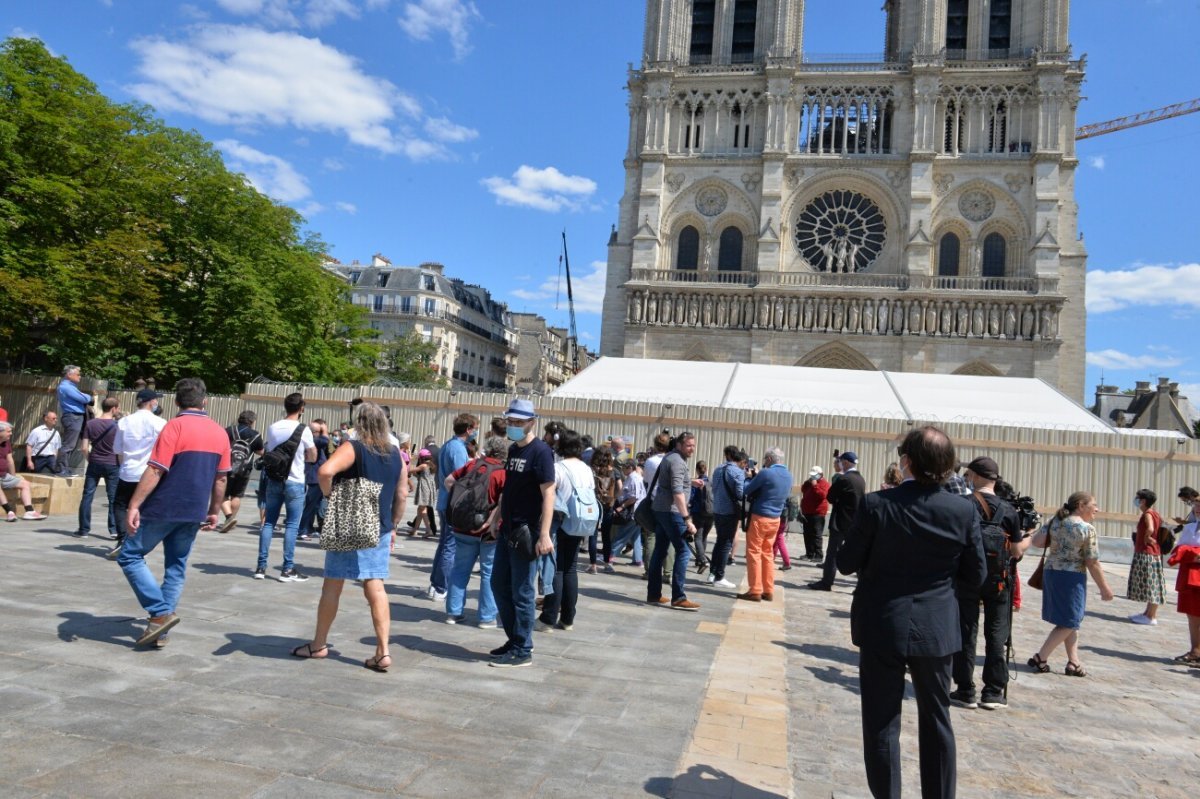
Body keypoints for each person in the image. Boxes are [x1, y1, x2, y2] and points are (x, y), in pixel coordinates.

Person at [837, 425, 986, 799]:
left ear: (906, 461)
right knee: (937, 719)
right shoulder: (963, 510)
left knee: (882, 723)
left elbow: (845, 562)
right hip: (936, 626)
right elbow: (976, 575)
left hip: (883, 622)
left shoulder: (876, 504)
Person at [291, 402, 407, 671]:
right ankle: (383, 651)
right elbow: (402, 493)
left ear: (359, 422)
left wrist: (333, 496)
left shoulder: (353, 447)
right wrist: (394, 524)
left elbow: (324, 471)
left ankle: (319, 644)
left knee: (333, 583)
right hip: (380, 524)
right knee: (375, 585)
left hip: (350, 520)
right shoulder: (395, 453)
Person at [118, 378, 231, 648]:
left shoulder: (174, 426)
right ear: (205, 401)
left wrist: (134, 504)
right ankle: (160, 629)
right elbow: (221, 479)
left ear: (177, 402)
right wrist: (214, 511)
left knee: (130, 555)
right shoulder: (219, 433)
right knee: (176, 568)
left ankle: (159, 613)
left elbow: (156, 469)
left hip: (164, 506)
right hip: (193, 511)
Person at [950, 456, 1029, 711]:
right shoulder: (1009, 511)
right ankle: (994, 691)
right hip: (999, 580)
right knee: (997, 633)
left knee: (965, 631)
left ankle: (964, 690)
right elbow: (1016, 551)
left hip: (967, 576)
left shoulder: (962, 504)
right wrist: (1030, 538)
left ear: (974, 476)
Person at [489, 398, 556, 668]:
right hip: (509, 528)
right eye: (511, 421)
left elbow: (548, 492)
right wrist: (497, 515)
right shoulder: (514, 450)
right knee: (498, 585)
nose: (513, 426)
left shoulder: (541, 452)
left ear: (532, 422)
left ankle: (523, 648)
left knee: (523, 591)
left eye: (519, 422)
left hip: (527, 531)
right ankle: (514, 638)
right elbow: (510, 488)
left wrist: (545, 533)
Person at [1026, 492, 1115, 677]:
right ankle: (1040, 657)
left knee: (1068, 620)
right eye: (1094, 505)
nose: (1097, 509)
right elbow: (1092, 562)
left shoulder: (1055, 521)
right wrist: (1104, 588)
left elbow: (1037, 542)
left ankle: (1074, 662)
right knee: (1070, 620)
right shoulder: (1087, 529)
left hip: (1052, 573)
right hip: (1071, 577)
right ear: (1081, 506)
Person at [444, 436, 507, 627]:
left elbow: (448, 481)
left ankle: (453, 613)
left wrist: (462, 505)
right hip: (488, 530)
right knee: (488, 573)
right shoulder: (503, 473)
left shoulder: (472, 465)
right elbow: (504, 501)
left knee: (460, 570)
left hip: (463, 526)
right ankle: (486, 618)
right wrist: (492, 520)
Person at [255, 392, 317, 582]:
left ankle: (261, 567)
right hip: (295, 480)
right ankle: (287, 569)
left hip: (274, 479)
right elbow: (312, 455)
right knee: (291, 524)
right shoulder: (303, 429)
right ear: (302, 409)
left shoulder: (273, 427)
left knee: (269, 522)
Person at [538, 429, 594, 630]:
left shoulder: (558, 468)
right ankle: (568, 618)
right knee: (570, 568)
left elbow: (549, 495)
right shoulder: (586, 469)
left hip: (560, 521)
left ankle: (548, 617)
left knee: (556, 569)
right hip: (580, 522)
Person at [646, 432, 701, 611]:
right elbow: (677, 491)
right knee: (683, 551)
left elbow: (672, 484)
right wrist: (687, 519)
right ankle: (678, 596)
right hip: (672, 512)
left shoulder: (670, 457)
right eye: (688, 446)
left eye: (693, 445)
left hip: (660, 510)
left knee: (660, 550)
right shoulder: (677, 461)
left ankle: (654, 593)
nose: (692, 449)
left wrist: (690, 482)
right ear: (678, 444)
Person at [109, 389, 166, 559]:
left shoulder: (124, 422)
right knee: (145, 507)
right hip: (150, 472)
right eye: (155, 400)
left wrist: (123, 465)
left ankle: (122, 538)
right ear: (151, 402)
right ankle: (139, 542)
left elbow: (117, 450)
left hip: (128, 470)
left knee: (120, 505)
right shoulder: (160, 423)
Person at [428, 413, 478, 601]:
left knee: (444, 545)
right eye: (474, 428)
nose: (475, 432)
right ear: (468, 429)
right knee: (450, 546)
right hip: (452, 502)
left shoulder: (450, 444)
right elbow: (462, 477)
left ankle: (436, 583)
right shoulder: (457, 448)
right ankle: (441, 587)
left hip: (445, 500)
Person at [737, 448, 793, 601]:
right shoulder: (789, 475)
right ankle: (768, 589)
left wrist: (749, 477)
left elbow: (746, 490)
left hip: (760, 517)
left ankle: (755, 589)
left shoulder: (766, 472)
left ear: (769, 459)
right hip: (776, 518)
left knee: (754, 552)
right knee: (767, 554)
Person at [809, 450, 866, 591]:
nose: (839, 464)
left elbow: (830, 497)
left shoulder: (843, 479)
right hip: (854, 521)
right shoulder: (860, 479)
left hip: (840, 522)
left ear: (846, 462)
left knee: (832, 554)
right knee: (855, 553)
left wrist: (838, 499)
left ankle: (826, 582)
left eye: (841, 461)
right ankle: (862, 585)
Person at [74, 396, 121, 538]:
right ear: (114, 409)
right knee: (113, 498)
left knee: (87, 496)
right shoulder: (117, 426)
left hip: (94, 462)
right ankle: (113, 530)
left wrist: (90, 458)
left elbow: (83, 447)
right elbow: (120, 449)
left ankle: (83, 529)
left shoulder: (91, 424)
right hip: (112, 463)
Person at [217, 410, 264, 534]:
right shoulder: (255, 435)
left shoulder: (229, 430)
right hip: (245, 469)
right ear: (252, 421)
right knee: (237, 495)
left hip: (227, 466)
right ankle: (230, 519)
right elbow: (260, 452)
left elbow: (220, 445)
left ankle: (229, 517)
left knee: (223, 494)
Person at [1168, 499, 1200, 665]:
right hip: (1189, 575)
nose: (1197, 509)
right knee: (1192, 614)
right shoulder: (1189, 528)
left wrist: (1188, 552)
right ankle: (1195, 650)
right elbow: (1179, 549)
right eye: (1196, 505)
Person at [708, 445, 744, 589]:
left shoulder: (717, 469)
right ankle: (720, 576)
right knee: (726, 544)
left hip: (717, 509)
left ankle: (712, 572)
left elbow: (714, 488)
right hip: (730, 511)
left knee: (719, 542)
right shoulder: (737, 472)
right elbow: (740, 494)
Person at [1128, 488, 1165, 625]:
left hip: (1147, 553)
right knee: (1152, 584)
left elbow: (1150, 528)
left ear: (1143, 501)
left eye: (1138, 498)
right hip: (1151, 553)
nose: (1136, 500)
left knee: (1152, 586)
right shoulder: (1154, 513)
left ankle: (1151, 616)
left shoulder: (1148, 514)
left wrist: (1146, 538)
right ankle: (1147, 613)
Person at [0, 422, 45, 521]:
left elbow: (10, 460)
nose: (11, 433)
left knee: (25, 484)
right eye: (8, 431)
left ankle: (29, 511)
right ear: (0, 432)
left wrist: (14, 476)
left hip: (4, 476)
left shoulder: (6, 443)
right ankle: (9, 511)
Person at [56, 365, 93, 476]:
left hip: (76, 417)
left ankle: (65, 468)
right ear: (69, 374)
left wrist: (85, 396)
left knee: (72, 444)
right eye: (77, 374)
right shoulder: (66, 387)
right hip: (73, 416)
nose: (80, 377)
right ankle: (61, 469)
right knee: (68, 444)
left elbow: (82, 396)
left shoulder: (71, 386)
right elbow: (83, 398)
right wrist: (88, 397)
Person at [609, 460, 645, 567]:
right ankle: (638, 560)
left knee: (621, 535)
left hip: (632, 512)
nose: (622, 469)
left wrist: (621, 507)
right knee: (635, 536)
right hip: (637, 513)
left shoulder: (634, 478)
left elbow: (634, 497)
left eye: (624, 467)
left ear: (630, 468)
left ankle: (611, 557)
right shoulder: (634, 477)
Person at [298, 419, 330, 541]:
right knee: (310, 506)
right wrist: (325, 431)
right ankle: (303, 530)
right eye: (319, 431)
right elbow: (325, 441)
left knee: (315, 505)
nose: (320, 433)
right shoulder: (313, 440)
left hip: (315, 476)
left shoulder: (313, 440)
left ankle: (309, 528)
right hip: (313, 476)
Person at [590, 447, 619, 574]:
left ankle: (593, 565)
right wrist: (614, 499)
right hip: (608, 506)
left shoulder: (592, 470)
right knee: (606, 536)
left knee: (593, 535)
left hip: (594, 504)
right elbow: (620, 488)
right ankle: (607, 564)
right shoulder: (615, 471)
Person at [800, 466, 830, 562]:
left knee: (816, 534)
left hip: (818, 512)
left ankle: (818, 555)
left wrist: (815, 485)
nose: (813, 477)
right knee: (807, 533)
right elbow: (803, 490)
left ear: (821, 475)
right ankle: (809, 553)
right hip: (807, 512)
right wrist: (807, 483)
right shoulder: (810, 483)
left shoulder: (824, 484)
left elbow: (822, 495)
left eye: (815, 475)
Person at [688, 460, 714, 568]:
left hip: (698, 512)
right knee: (704, 537)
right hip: (711, 513)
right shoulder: (711, 482)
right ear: (706, 469)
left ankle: (702, 560)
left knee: (698, 537)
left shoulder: (696, 483)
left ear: (697, 470)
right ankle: (699, 559)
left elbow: (691, 497)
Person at [408, 449, 438, 537]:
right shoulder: (432, 465)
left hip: (424, 489)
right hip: (430, 489)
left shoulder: (424, 465)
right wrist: (416, 475)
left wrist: (410, 459)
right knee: (420, 510)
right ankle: (415, 530)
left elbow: (410, 470)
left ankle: (429, 530)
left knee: (423, 510)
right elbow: (424, 476)